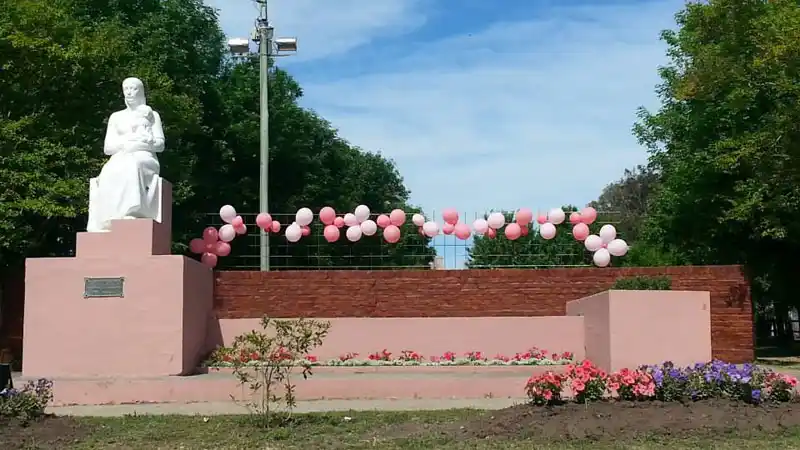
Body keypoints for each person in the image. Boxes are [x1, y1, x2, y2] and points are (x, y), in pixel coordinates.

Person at [87, 78, 166, 232]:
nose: (129, 92)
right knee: (108, 170)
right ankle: (107, 218)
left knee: (133, 164)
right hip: (120, 154)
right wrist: (125, 145)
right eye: (126, 89)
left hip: (144, 157)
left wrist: (139, 145)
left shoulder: (152, 115)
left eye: (133, 88)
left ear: (141, 91)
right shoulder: (116, 117)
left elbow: (160, 144)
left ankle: (131, 210)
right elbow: (108, 148)